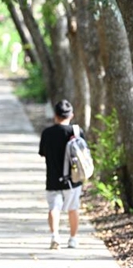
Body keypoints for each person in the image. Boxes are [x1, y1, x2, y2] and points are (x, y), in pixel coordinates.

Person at [39, 99, 83, 249]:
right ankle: (73, 238)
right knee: (73, 208)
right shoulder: (76, 132)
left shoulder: (47, 133)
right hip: (73, 178)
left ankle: (55, 235)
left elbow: (43, 153)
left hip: (52, 177)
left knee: (54, 207)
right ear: (71, 115)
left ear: (55, 116)